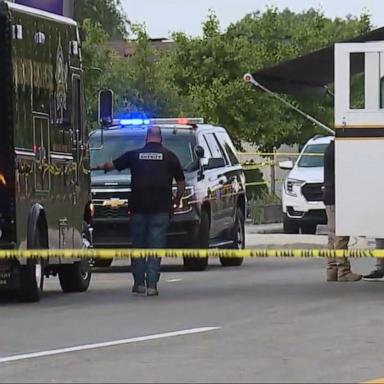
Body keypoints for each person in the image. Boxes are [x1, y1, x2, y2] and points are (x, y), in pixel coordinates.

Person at [96, 126, 185, 296]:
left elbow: (112, 164)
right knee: (155, 246)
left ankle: (139, 283)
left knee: (138, 246)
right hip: (161, 209)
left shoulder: (134, 155)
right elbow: (181, 183)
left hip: (138, 209)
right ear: (161, 139)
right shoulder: (170, 157)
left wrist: (98, 165)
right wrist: (176, 200)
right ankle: (152, 285)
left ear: (146, 139)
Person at [323, 139, 361, 282]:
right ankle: (343, 270)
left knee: (332, 235)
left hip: (329, 195)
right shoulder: (338, 150)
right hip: (337, 194)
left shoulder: (330, 148)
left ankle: (332, 270)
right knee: (341, 235)